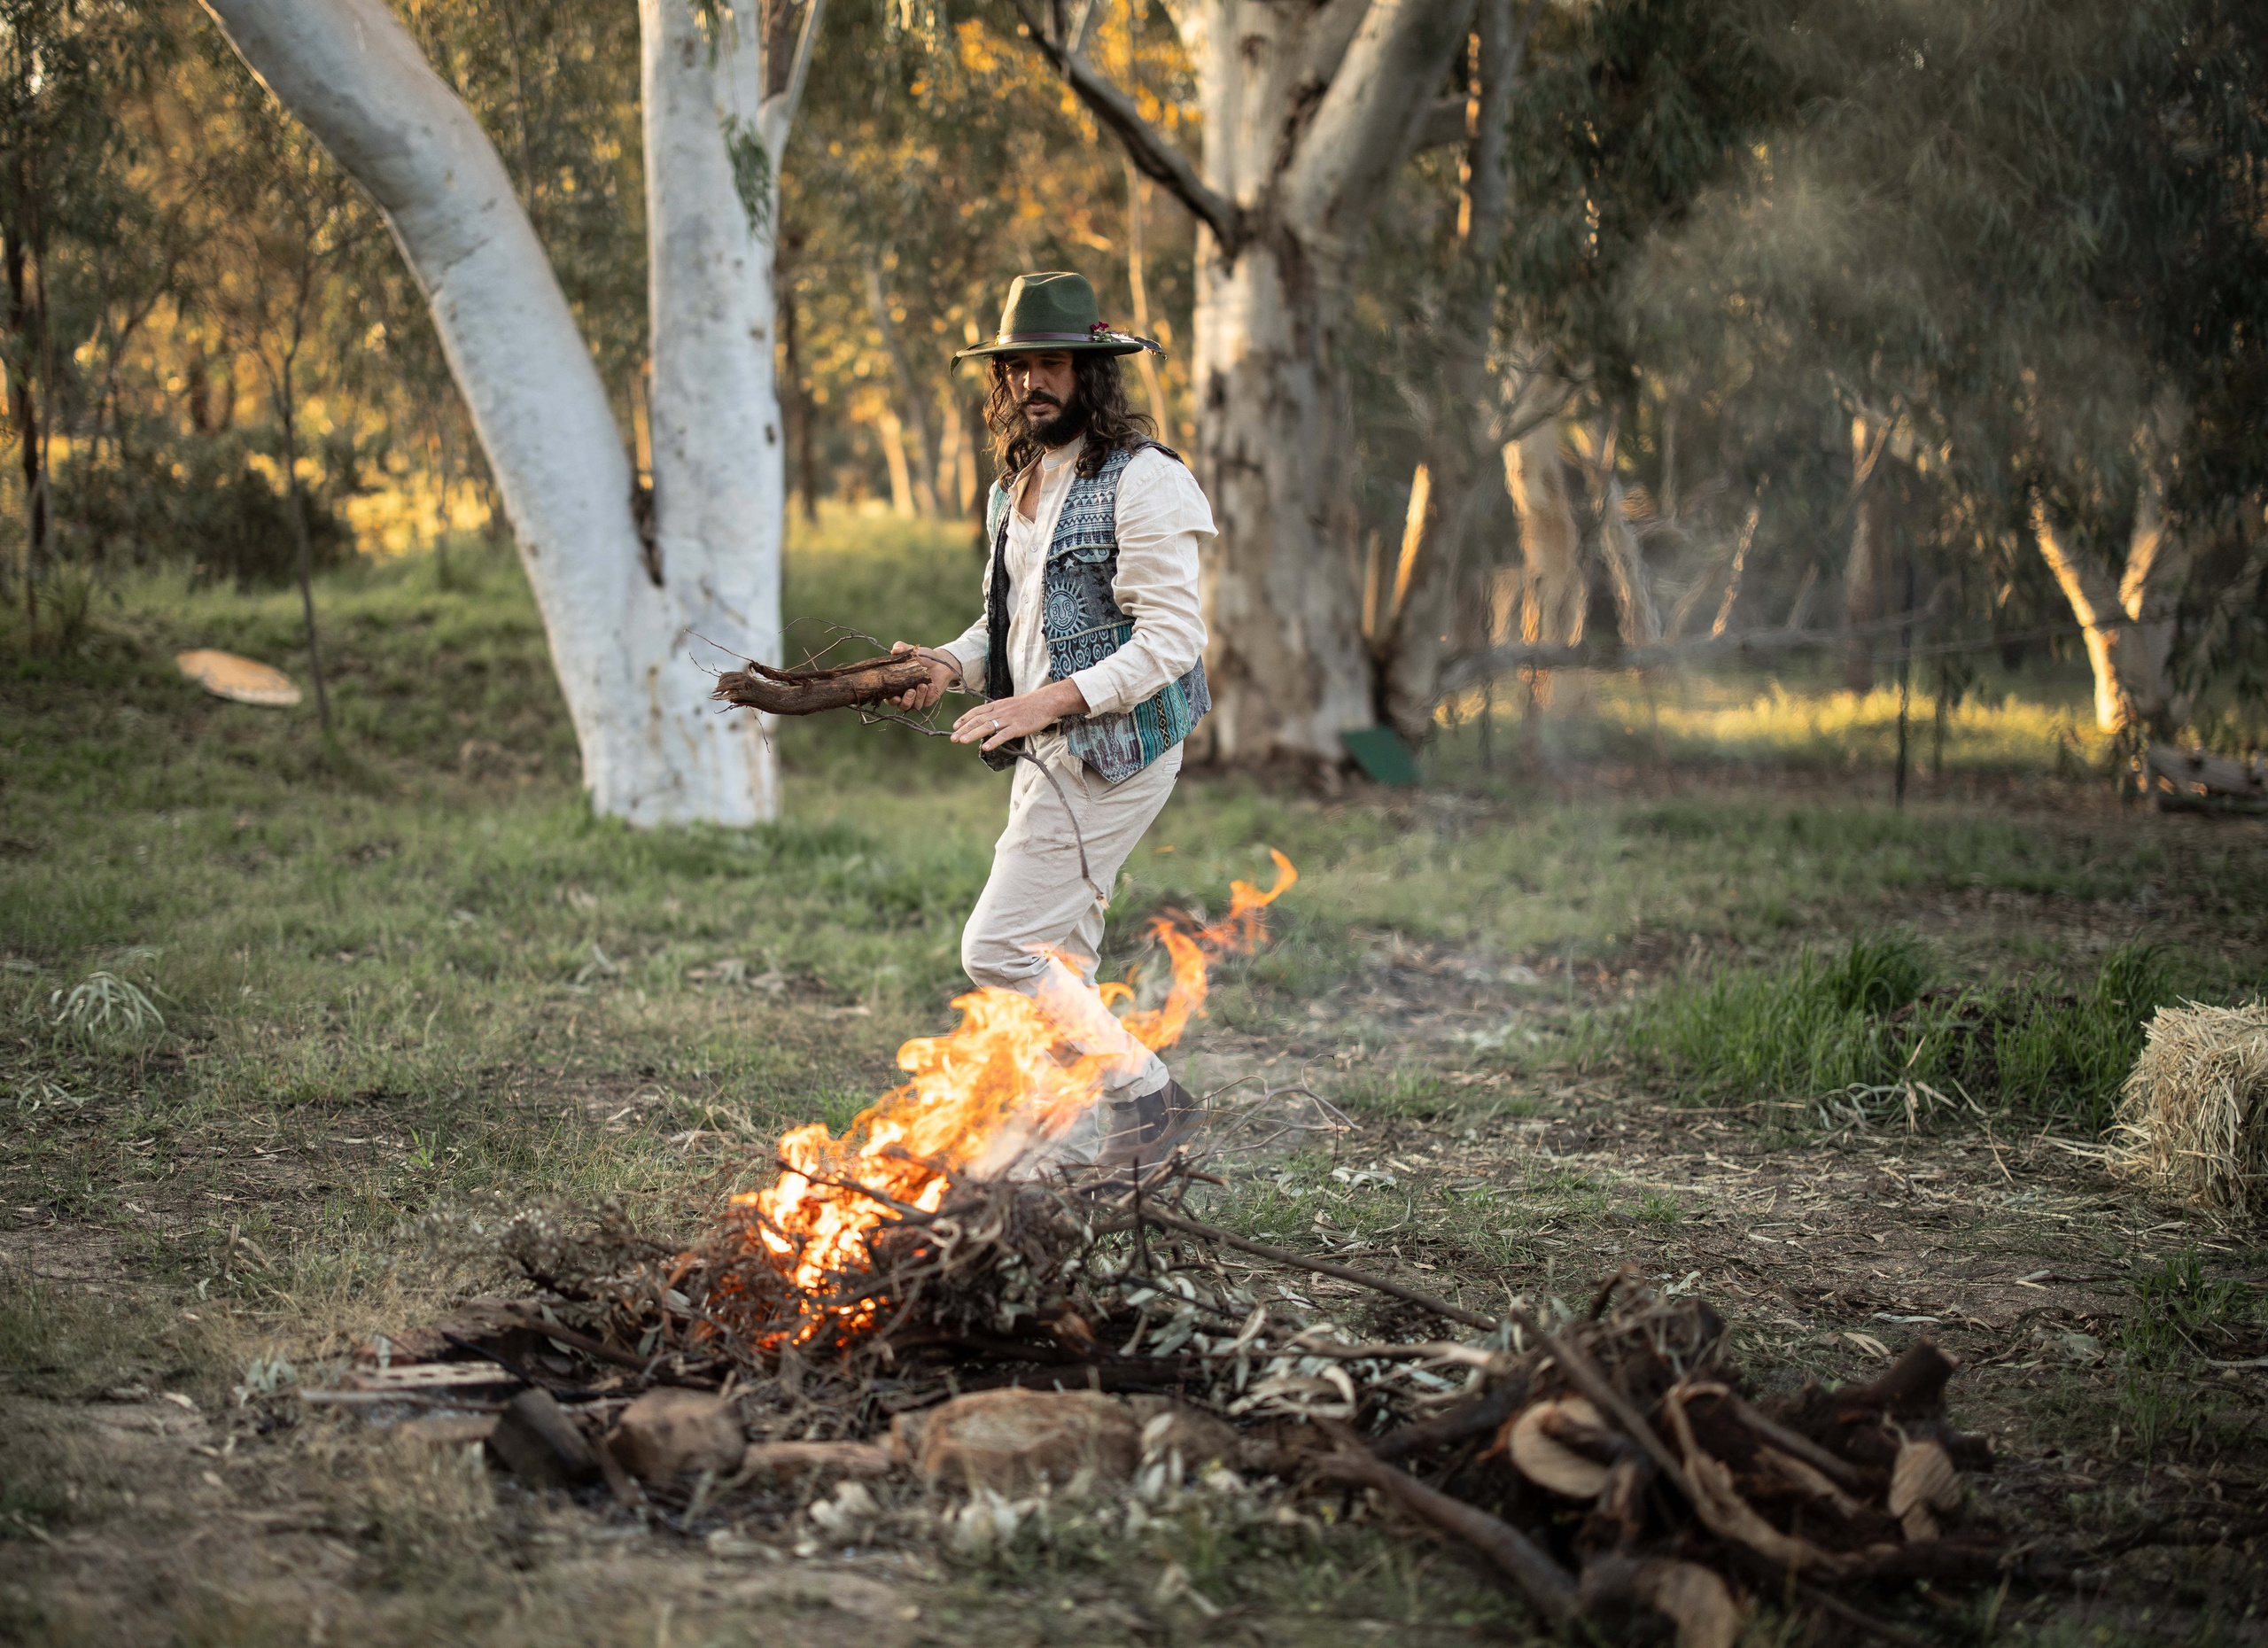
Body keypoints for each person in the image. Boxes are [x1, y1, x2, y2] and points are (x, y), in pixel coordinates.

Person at [889, 271, 1214, 1168]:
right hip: (1049, 749)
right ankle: (1055, 1158)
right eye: (1018, 367)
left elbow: (1173, 642)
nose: (1032, 382)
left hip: (1113, 754)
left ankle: (1150, 1100)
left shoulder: (1145, 482)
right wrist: (950, 664)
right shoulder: (1016, 488)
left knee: (997, 948)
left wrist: (1044, 702)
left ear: (1092, 373)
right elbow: (1011, 627)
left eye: (1052, 364)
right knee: (1057, 966)